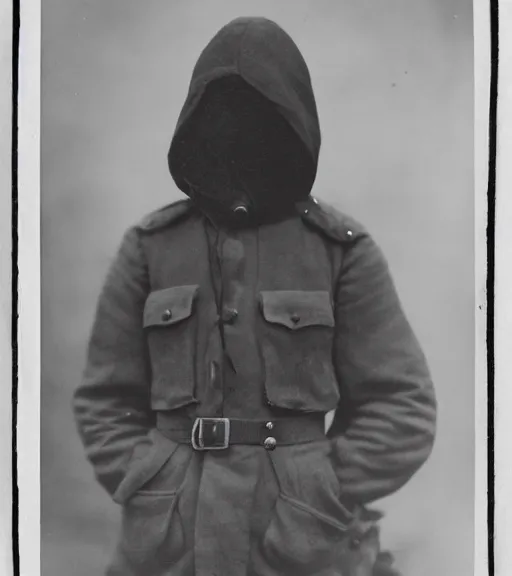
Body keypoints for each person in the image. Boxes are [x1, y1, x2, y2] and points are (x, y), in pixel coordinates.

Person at [73, 16, 436, 576]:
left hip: (309, 548)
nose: (239, 138)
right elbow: (104, 400)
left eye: (261, 123)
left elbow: (402, 406)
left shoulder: (342, 251)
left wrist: (318, 499)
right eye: (221, 119)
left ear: (294, 125)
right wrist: (151, 482)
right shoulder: (149, 247)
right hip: (169, 547)